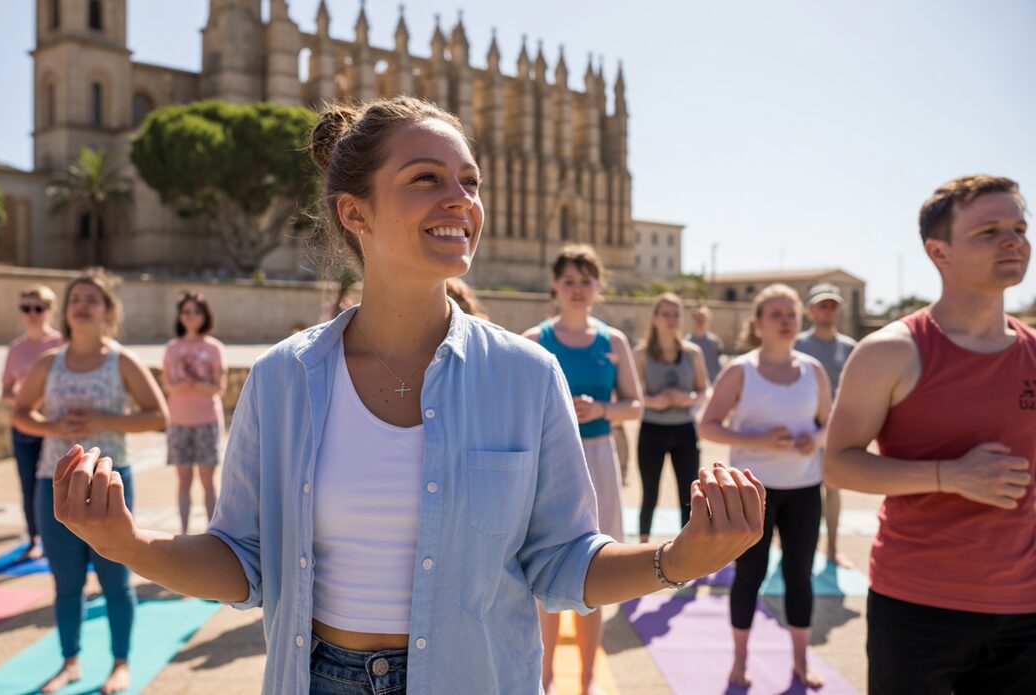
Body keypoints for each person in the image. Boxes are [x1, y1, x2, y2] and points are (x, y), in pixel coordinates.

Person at [48, 96, 765, 694]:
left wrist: (683, 555)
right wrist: (128, 543)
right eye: (427, 178)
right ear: (354, 213)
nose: (462, 200)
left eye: (471, 181)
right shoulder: (281, 378)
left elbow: (563, 563)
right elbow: (244, 561)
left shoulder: (526, 374)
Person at [825, 175, 1035, 695]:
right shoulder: (891, 351)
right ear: (937, 251)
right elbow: (839, 464)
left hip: (1025, 609)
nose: (1013, 241)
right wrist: (950, 476)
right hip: (918, 604)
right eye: (989, 231)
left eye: (1019, 227)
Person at [12, 269, 168, 694]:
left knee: (116, 579)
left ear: (108, 311)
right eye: (76, 298)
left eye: (91, 299)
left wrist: (104, 420)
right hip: (54, 483)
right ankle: (70, 661)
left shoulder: (123, 361)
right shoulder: (50, 362)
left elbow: (159, 416)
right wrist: (52, 425)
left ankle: (120, 663)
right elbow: (21, 412)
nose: (82, 305)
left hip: (111, 484)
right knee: (66, 583)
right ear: (66, 310)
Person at [522, 244, 644, 695]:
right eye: (569, 280)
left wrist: (603, 409)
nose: (577, 289)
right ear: (555, 286)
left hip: (598, 460)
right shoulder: (535, 340)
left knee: (598, 572)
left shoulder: (613, 342)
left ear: (598, 287)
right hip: (549, 464)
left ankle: (587, 682)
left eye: (585, 280)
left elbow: (635, 406)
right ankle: (548, 679)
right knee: (548, 572)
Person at [700, 284, 831, 689]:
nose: (786, 321)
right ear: (757, 324)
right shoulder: (741, 370)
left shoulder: (814, 370)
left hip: (805, 488)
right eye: (775, 314)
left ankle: (799, 661)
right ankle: (739, 662)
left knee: (799, 575)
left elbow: (829, 423)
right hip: (752, 492)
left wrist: (817, 438)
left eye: (791, 313)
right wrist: (757, 440)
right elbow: (708, 424)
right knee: (749, 575)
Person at [634, 293, 709, 543]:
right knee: (650, 494)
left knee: (689, 494)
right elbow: (630, 395)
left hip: (684, 431)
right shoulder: (641, 354)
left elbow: (703, 391)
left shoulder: (692, 353)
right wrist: (653, 401)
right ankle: (641, 548)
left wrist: (686, 398)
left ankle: (687, 551)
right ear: (655, 318)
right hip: (652, 429)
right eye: (665, 314)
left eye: (676, 314)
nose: (671, 319)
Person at [793, 282, 857, 568]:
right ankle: (791, 547)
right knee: (797, 490)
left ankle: (831, 548)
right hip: (801, 429)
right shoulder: (797, 345)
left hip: (835, 429)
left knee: (832, 486)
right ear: (811, 310)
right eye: (823, 305)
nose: (828, 311)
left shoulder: (851, 348)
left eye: (833, 306)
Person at [1, 285, 64, 561]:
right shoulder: (17, 348)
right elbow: (5, 390)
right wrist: (23, 403)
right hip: (27, 427)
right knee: (29, 485)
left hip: (57, 427)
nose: (32, 314)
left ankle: (65, 535)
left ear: (51, 310)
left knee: (60, 483)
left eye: (38, 308)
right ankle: (34, 538)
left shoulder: (62, 346)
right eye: (26, 308)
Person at [161, 290, 227, 534]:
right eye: (186, 311)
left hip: (207, 420)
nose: (191, 316)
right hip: (179, 420)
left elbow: (218, 387)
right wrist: (181, 386)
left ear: (204, 315)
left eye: (196, 312)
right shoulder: (172, 347)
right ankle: (184, 531)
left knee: (209, 481)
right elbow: (167, 385)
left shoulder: (214, 348)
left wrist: (195, 384)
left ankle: (213, 532)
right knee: (184, 480)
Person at [686, 305, 724, 383]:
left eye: (702, 318)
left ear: (708, 320)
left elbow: (719, 367)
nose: (700, 321)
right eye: (697, 318)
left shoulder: (715, 343)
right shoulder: (686, 343)